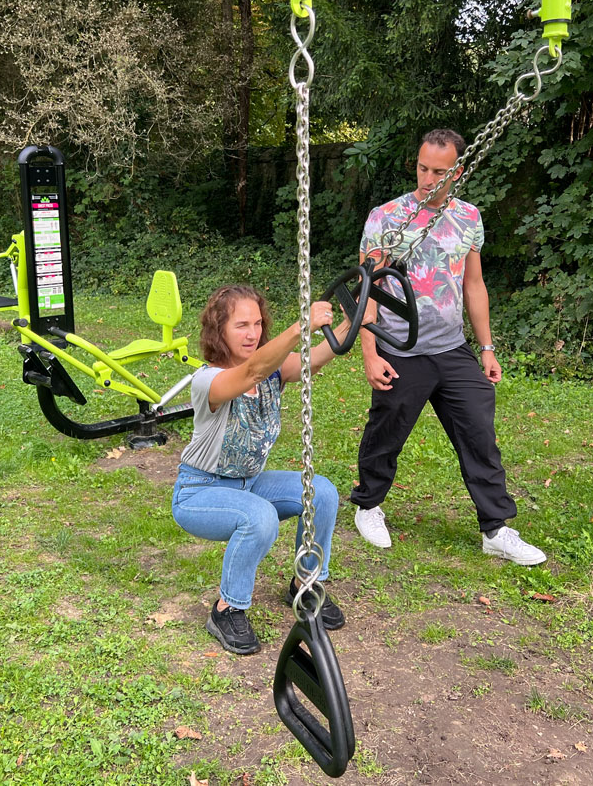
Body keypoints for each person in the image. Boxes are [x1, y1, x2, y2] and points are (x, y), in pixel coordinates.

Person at [352, 128, 546, 566]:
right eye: (422, 168)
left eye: (439, 171)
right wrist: (370, 352)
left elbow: (474, 286)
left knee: (479, 431)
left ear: (457, 171)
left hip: (452, 349)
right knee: (388, 429)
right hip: (400, 347)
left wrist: (488, 347)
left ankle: (495, 528)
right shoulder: (386, 217)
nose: (428, 178)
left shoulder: (468, 218)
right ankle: (369, 505)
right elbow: (366, 291)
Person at [172, 284, 351, 655]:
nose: (252, 333)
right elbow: (252, 371)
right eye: (240, 325)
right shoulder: (209, 380)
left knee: (321, 492)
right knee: (261, 517)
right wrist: (302, 325)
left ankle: (305, 584)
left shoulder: (273, 373)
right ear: (218, 330)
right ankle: (227, 608)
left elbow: (314, 359)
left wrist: (358, 321)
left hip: (248, 484)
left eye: (257, 323)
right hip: (199, 491)